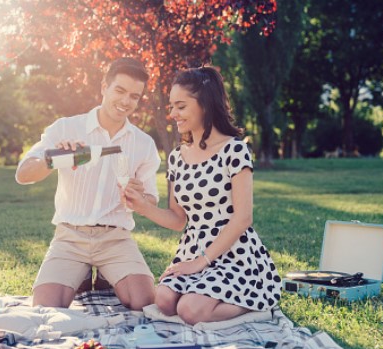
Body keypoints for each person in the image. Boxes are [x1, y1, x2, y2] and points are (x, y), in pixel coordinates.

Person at [124, 66, 282, 324]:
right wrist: (143, 207)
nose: (173, 114)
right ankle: (213, 300)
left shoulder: (235, 150)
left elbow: (243, 218)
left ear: (205, 105)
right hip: (192, 250)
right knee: (163, 301)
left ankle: (257, 302)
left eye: (181, 106)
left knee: (189, 310)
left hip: (232, 254)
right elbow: (178, 219)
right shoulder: (176, 157)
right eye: (172, 107)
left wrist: (201, 262)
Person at [16, 57, 161, 310]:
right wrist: (55, 159)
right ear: (104, 87)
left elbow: (151, 200)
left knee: (143, 302)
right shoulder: (66, 128)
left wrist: (140, 198)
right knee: (45, 307)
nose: (126, 101)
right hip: (70, 236)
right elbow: (23, 174)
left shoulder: (143, 144)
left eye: (134, 96)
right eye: (120, 91)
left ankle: (107, 274)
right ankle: (81, 274)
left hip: (115, 238)